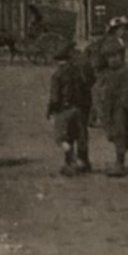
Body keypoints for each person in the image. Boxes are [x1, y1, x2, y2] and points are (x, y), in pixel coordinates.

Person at [46, 43, 95, 175]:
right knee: (80, 136)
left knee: (63, 137)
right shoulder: (79, 72)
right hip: (80, 108)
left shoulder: (57, 75)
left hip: (64, 109)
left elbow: (55, 97)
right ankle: (83, 162)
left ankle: (70, 162)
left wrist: (51, 111)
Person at [96, 43, 128, 176]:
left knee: (119, 135)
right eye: (109, 57)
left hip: (121, 109)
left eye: (115, 56)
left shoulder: (125, 73)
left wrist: (125, 106)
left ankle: (120, 163)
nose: (112, 60)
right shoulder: (107, 73)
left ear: (121, 57)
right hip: (112, 109)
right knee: (125, 136)